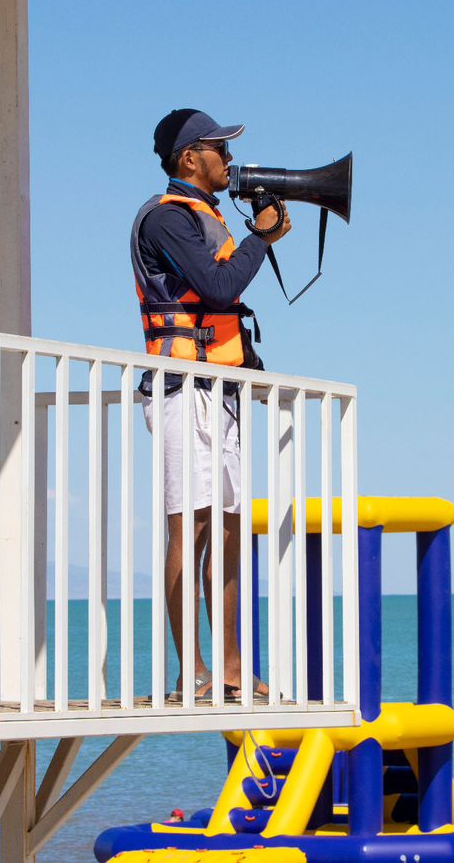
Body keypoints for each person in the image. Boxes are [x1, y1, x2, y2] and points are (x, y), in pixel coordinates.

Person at [132, 108, 290, 701]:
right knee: (191, 525)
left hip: (218, 391)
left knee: (227, 529)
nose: (228, 158)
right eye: (218, 149)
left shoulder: (206, 215)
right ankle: (192, 670)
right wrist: (260, 237)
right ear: (188, 157)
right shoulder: (165, 218)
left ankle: (228, 666)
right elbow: (220, 288)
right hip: (181, 388)